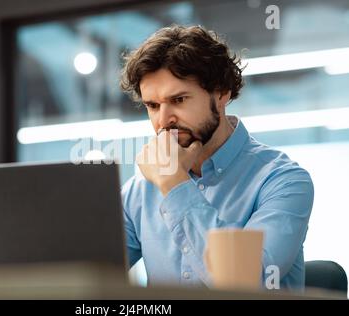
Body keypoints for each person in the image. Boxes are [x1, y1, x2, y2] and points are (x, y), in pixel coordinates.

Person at [119, 25, 314, 289]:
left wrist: (174, 185)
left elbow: (243, 284)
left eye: (178, 100)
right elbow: (85, 273)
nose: (163, 120)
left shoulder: (283, 181)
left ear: (221, 93)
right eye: (152, 106)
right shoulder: (139, 191)